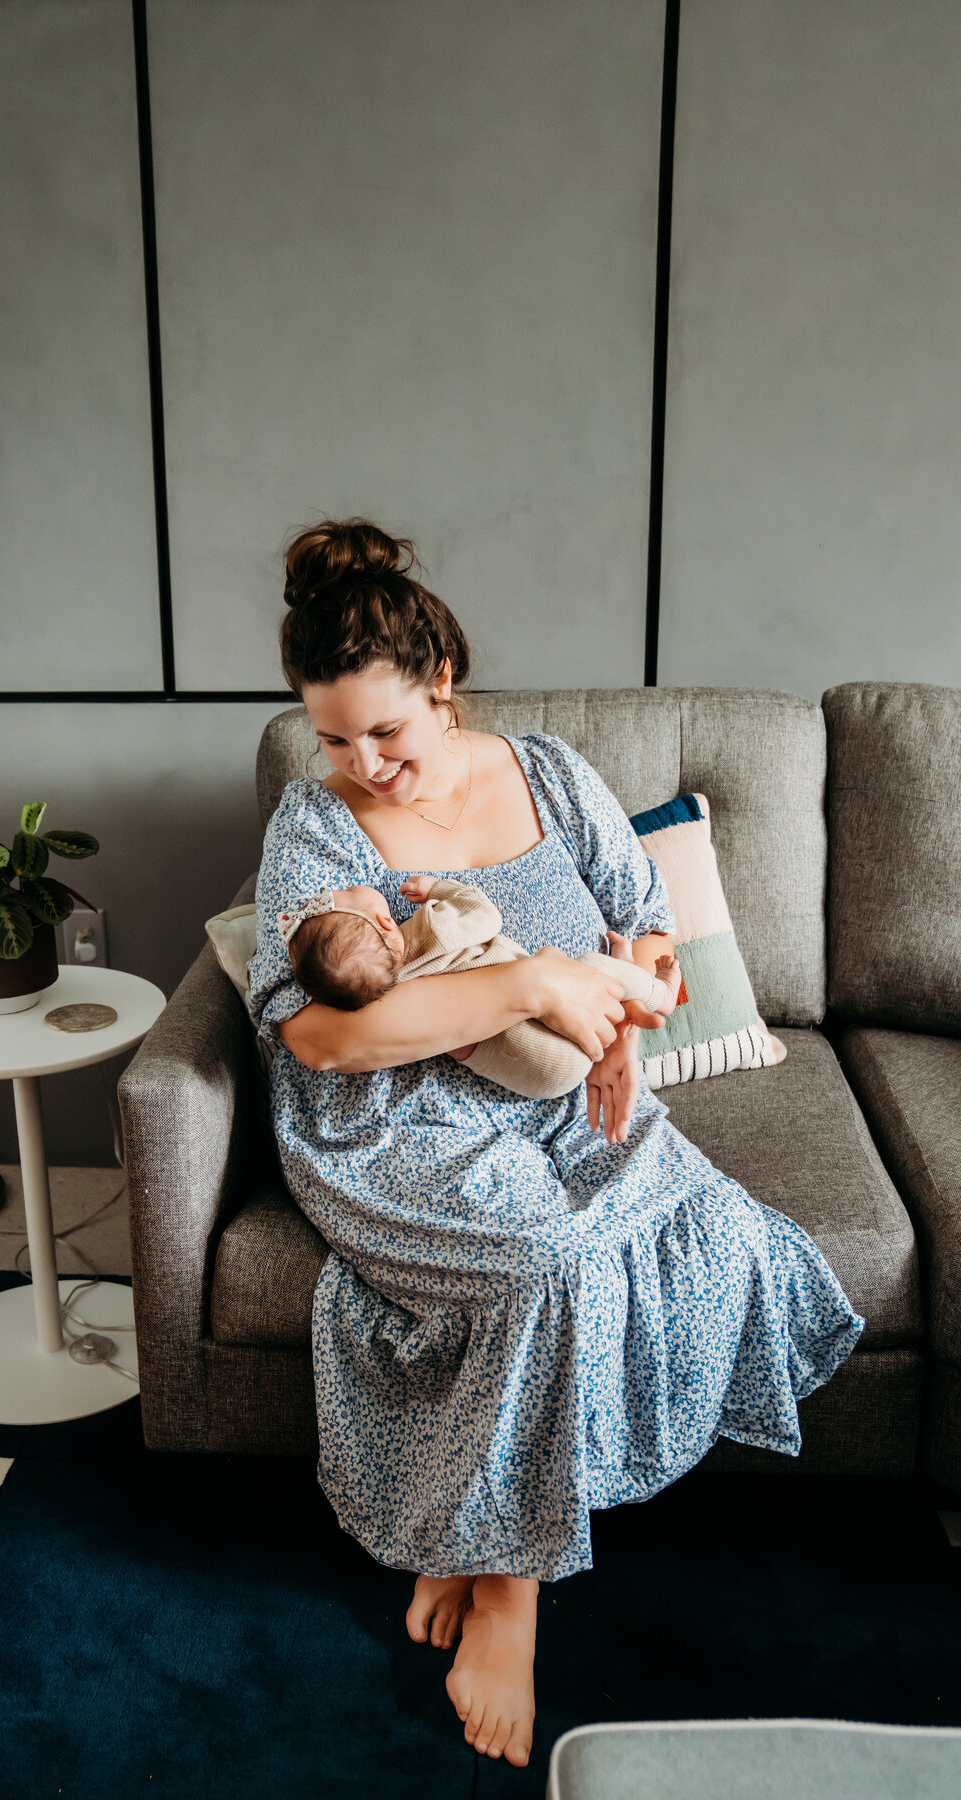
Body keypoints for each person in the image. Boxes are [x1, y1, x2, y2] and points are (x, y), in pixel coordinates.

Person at [245, 517, 865, 1771]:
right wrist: (534, 982)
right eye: (333, 737)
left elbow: (643, 927)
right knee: (546, 1264)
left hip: (564, 1096)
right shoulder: (319, 829)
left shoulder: (548, 771)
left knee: (715, 1236)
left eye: (389, 731)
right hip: (396, 1118)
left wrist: (629, 1005)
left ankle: (464, 1533)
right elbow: (324, 1041)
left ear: (441, 686)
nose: (366, 762)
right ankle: (514, 1594)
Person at [278, 877, 684, 1099]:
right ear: (386, 923)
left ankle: (624, 986)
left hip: (536, 1079)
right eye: (346, 894)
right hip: (560, 1048)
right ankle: (657, 994)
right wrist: (439, 890)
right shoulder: (432, 930)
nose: (344, 887)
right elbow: (483, 914)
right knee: (586, 968)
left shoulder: (387, 995)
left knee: (468, 1044)